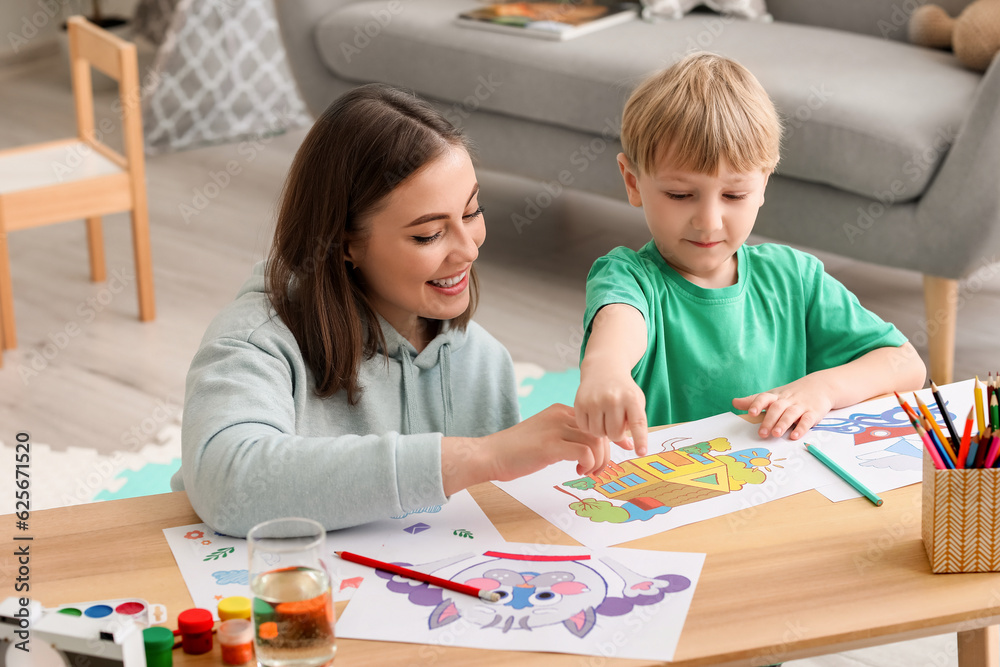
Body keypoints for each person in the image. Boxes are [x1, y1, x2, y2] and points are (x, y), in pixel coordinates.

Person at [172, 84, 619, 536]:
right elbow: (228, 484)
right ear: (345, 244)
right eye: (428, 235)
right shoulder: (255, 341)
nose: (468, 250)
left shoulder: (481, 361)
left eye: (471, 212)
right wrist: (482, 457)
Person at [574, 53, 926, 457]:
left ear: (763, 185)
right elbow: (619, 325)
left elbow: (906, 365)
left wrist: (823, 389)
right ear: (633, 182)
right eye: (680, 195)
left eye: (734, 195)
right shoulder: (626, 276)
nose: (708, 222)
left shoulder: (795, 277)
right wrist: (605, 369)